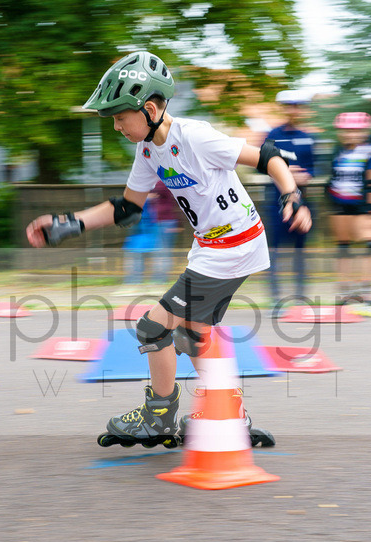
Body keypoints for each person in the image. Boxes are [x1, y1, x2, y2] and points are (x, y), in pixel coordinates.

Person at [25, 51, 311, 446]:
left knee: (154, 326)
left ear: (150, 108)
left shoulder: (195, 137)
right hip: (213, 248)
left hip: (235, 246)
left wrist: (291, 195)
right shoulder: (148, 151)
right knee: (193, 334)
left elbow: (267, 155)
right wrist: (68, 224)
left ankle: (159, 415)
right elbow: (127, 207)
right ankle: (228, 413)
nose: (116, 126)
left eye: (120, 116)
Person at [325, 111, 371, 305]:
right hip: (339, 204)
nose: (350, 135)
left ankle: (367, 293)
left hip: (364, 206)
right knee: (343, 247)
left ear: (365, 131)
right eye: (346, 131)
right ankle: (345, 293)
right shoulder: (338, 151)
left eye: (355, 131)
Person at [263, 90, 316, 314]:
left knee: (300, 251)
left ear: (302, 109)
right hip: (276, 201)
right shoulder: (272, 135)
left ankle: (301, 298)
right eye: (289, 106)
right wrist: (283, 173)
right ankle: (275, 300)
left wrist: (305, 176)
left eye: (298, 106)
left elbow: (313, 169)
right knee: (274, 251)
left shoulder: (309, 137)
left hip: (302, 203)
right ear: (283, 108)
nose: (293, 110)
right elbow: (263, 164)